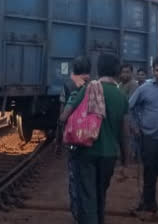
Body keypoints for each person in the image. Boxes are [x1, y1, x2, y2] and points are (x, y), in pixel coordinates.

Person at [59, 54, 131, 224]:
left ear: (97, 70)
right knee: (100, 194)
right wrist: (125, 161)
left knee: (87, 197)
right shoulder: (121, 96)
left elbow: (64, 117)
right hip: (109, 155)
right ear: (117, 71)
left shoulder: (88, 89)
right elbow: (124, 132)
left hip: (85, 151)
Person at [128, 55, 158, 217]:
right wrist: (134, 126)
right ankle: (150, 206)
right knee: (150, 174)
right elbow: (130, 108)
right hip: (149, 138)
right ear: (153, 71)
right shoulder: (144, 89)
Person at [57, 56, 91, 224]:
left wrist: (59, 140)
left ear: (74, 69)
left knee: (74, 175)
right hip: (91, 137)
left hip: (73, 137)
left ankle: (77, 212)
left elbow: (62, 114)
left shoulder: (68, 84)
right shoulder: (96, 85)